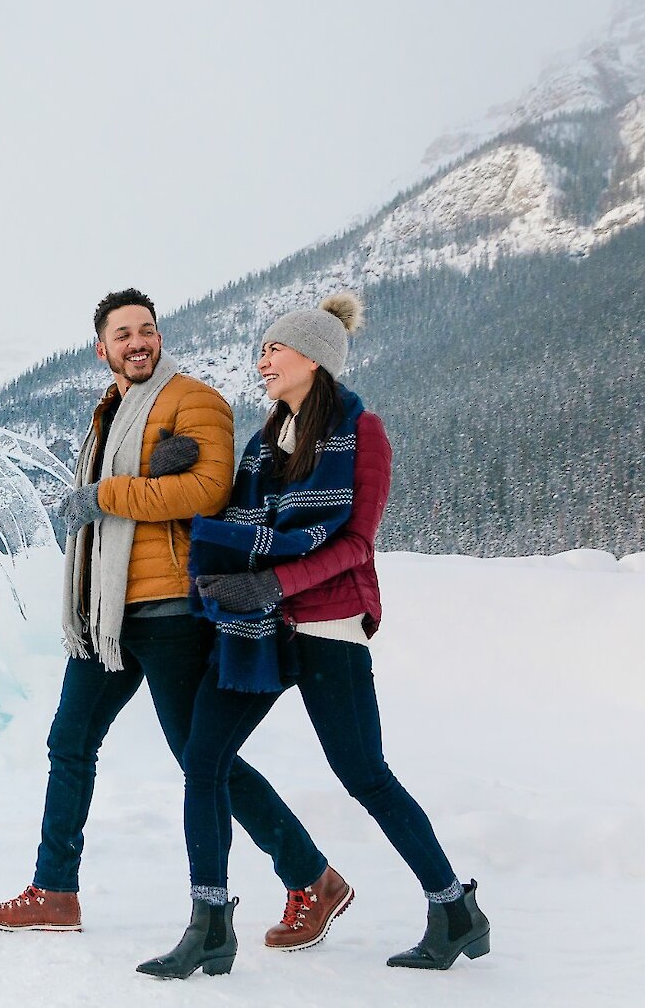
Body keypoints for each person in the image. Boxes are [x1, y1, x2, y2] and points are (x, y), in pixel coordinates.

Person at [139, 291, 489, 980]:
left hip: (327, 623)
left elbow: (356, 542)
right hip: (259, 628)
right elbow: (234, 519)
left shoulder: (364, 433)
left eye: (275, 347)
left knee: (363, 773)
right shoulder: (264, 444)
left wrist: (276, 584)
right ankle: (209, 924)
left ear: (314, 358)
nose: (262, 358)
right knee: (203, 757)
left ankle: (454, 909)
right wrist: (177, 476)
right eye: (262, 348)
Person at [0, 289, 334, 945]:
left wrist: (106, 493)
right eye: (122, 333)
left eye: (146, 330)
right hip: (105, 616)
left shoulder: (192, 400)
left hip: (168, 606)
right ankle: (55, 889)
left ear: (158, 339)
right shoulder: (110, 411)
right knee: (70, 741)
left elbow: (208, 488)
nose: (136, 341)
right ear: (102, 348)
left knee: (203, 757)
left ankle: (312, 876)